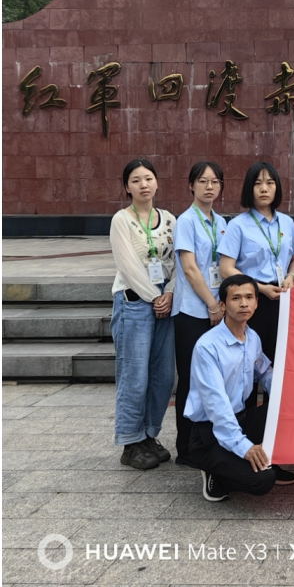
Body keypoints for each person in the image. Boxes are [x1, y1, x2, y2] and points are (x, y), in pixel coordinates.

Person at [184, 274, 294, 501]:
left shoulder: (252, 338)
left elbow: (265, 372)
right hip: (209, 432)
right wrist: (244, 447)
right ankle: (215, 470)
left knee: (291, 407)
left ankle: (257, 460)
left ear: (256, 302)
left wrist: (290, 396)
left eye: (249, 297)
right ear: (222, 305)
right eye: (236, 298)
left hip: (241, 419)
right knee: (263, 480)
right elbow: (217, 405)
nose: (244, 303)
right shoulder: (208, 347)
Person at [109, 159, 176, 470]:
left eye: (148, 178)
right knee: (134, 374)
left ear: (157, 182)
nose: (143, 184)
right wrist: (154, 296)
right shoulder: (122, 220)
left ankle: (149, 435)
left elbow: (177, 262)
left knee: (163, 375)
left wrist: (170, 293)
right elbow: (128, 266)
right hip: (134, 302)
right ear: (127, 187)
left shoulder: (170, 219)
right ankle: (130, 441)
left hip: (166, 303)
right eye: (135, 180)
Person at [218, 162, 294, 368]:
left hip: (282, 298)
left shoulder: (286, 222)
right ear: (250, 188)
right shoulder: (238, 225)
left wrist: (291, 277)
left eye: (270, 183)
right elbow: (226, 268)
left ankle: (272, 392)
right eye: (258, 184)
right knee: (249, 361)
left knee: (278, 359)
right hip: (250, 300)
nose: (264, 189)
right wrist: (260, 289)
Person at [171, 161, 228, 468]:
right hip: (193, 311)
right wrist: (212, 304)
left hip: (217, 309)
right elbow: (190, 268)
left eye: (215, 181)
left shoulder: (222, 222)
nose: (209, 186)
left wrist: (221, 305)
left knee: (213, 379)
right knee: (191, 379)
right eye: (203, 181)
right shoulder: (186, 221)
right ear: (191, 185)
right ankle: (186, 448)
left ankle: (207, 442)